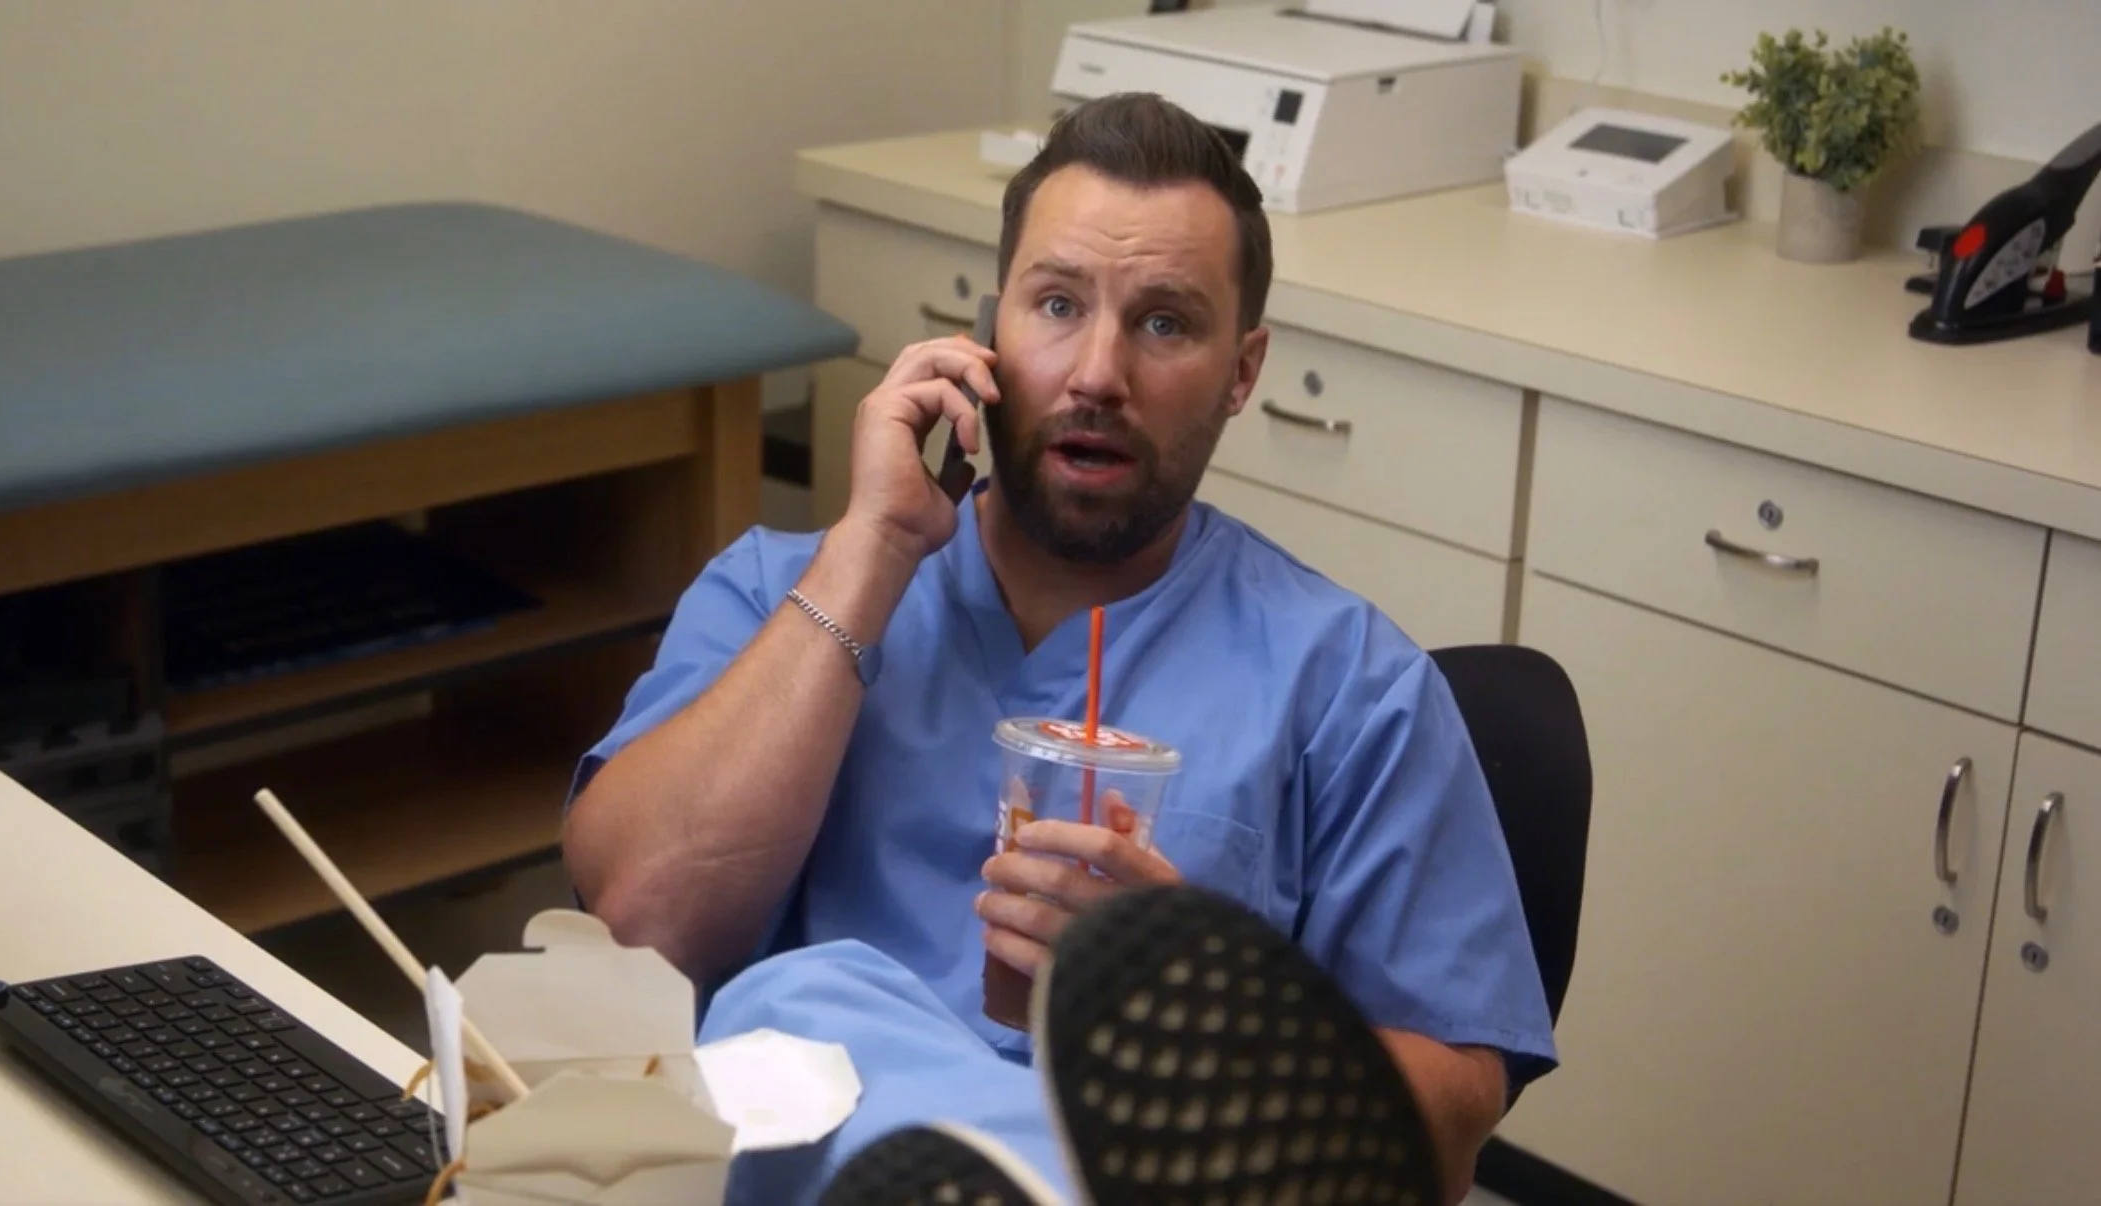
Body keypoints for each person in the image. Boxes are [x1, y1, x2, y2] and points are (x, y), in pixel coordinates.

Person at [561, 91, 1556, 1204]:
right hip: (800, 1167)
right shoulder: (777, 592)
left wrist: (1190, 1016)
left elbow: (1450, 1124)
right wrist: (872, 550)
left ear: (1241, 371)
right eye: (1054, 304)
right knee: (804, 1001)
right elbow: (644, 925)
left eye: (1165, 322)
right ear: (985, 333)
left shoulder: (1350, 688)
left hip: (1151, 1171)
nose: (1095, 373)